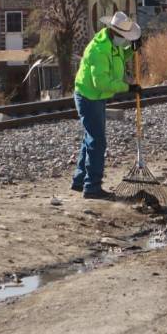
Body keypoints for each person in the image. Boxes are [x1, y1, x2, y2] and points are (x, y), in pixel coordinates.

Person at [72, 11, 143, 200]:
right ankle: (92, 187)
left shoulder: (112, 43)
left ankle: (80, 181)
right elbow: (101, 83)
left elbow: (118, 59)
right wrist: (128, 87)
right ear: (115, 32)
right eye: (125, 37)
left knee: (90, 138)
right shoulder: (99, 50)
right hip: (89, 96)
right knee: (97, 141)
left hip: (96, 97)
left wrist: (131, 50)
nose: (126, 40)